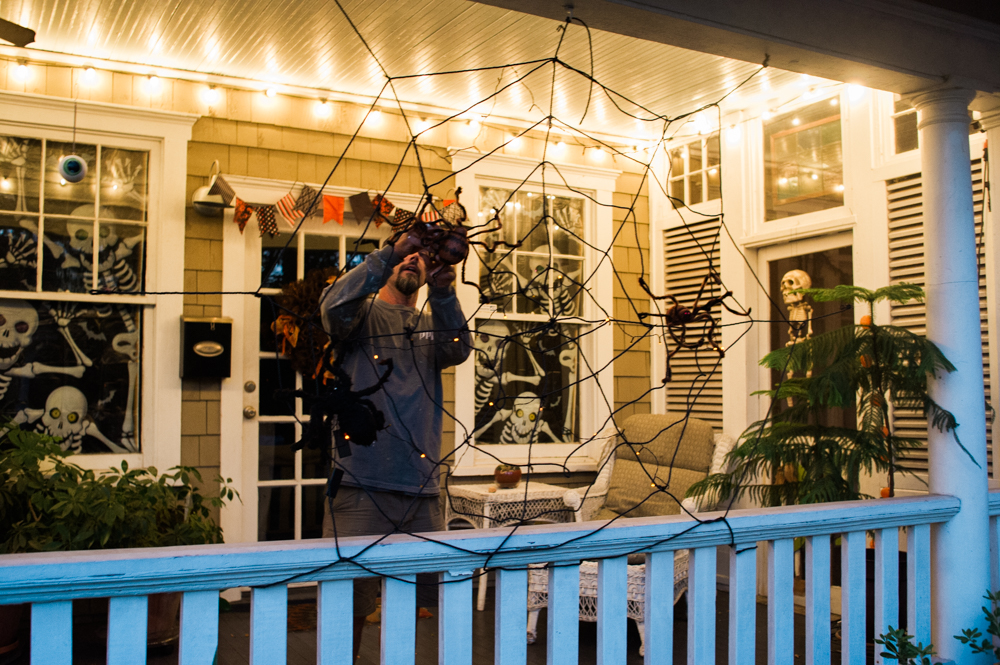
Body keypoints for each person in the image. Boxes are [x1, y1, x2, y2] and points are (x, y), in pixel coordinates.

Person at [319, 224, 471, 657]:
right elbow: (332, 309)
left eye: (424, 257)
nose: (415, 259)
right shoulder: (362, 315)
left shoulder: (430, 326)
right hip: (359, 485)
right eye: (409, 253)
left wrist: (444, 291)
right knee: (347, 606)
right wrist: (389, 251)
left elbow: (458, 349)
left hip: (420, 488)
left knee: (421, 604)